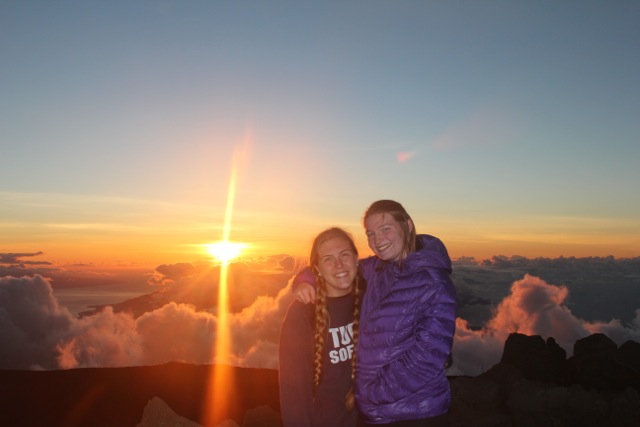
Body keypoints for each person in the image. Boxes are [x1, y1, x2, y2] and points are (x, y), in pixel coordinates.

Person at [293, 200, 457, 426]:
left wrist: (368, 393)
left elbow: (428, 358)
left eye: (385, 229)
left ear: (407, 225)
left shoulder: (434, 282)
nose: (377, 241)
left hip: (416, 414)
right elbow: (340, 265)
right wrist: (304, 281)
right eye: (370, 234)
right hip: (376, 414)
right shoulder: (377, 268)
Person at [279, 227, 364, 427]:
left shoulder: (368, 297)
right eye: (328, 259)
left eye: (344, 255)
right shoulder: (303, 313)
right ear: (316, 268)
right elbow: (294, 393)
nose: (339, 265)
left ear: (356, 258)